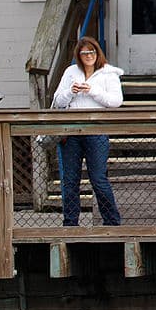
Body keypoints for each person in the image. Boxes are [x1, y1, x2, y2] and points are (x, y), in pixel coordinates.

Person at [51, 37, 123, 226]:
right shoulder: (71, 72)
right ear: (79, 55)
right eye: (84, 53)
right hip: (71, 132)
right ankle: (70, 223)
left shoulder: (108, 73)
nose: (88, 56)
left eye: (92, 52)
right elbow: (58, 101)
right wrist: (71, 92)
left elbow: (116, 101)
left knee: (98, 178)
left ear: (97, 53)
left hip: (96, 131)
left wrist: (92, 91)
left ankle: (112, 221)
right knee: (70, 180)